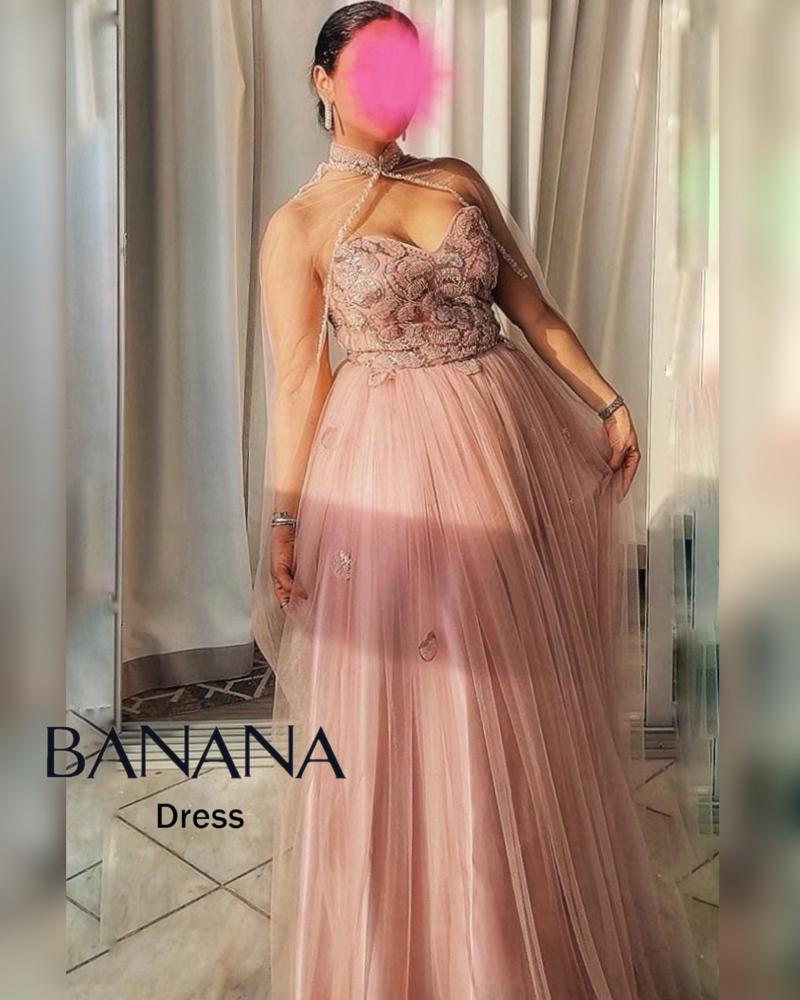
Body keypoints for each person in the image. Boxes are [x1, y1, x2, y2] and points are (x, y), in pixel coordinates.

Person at [253, 3, 699, 997]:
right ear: (323, 80)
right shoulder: (299, 226)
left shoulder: (455, 181)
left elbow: (529, 308)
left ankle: (521, 926)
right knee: (416, 697)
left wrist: (605, 399)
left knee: (513, 690)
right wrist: (285, 515)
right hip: (386, 465)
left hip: (503, 444)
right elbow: (296, 382)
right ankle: (412, 955)